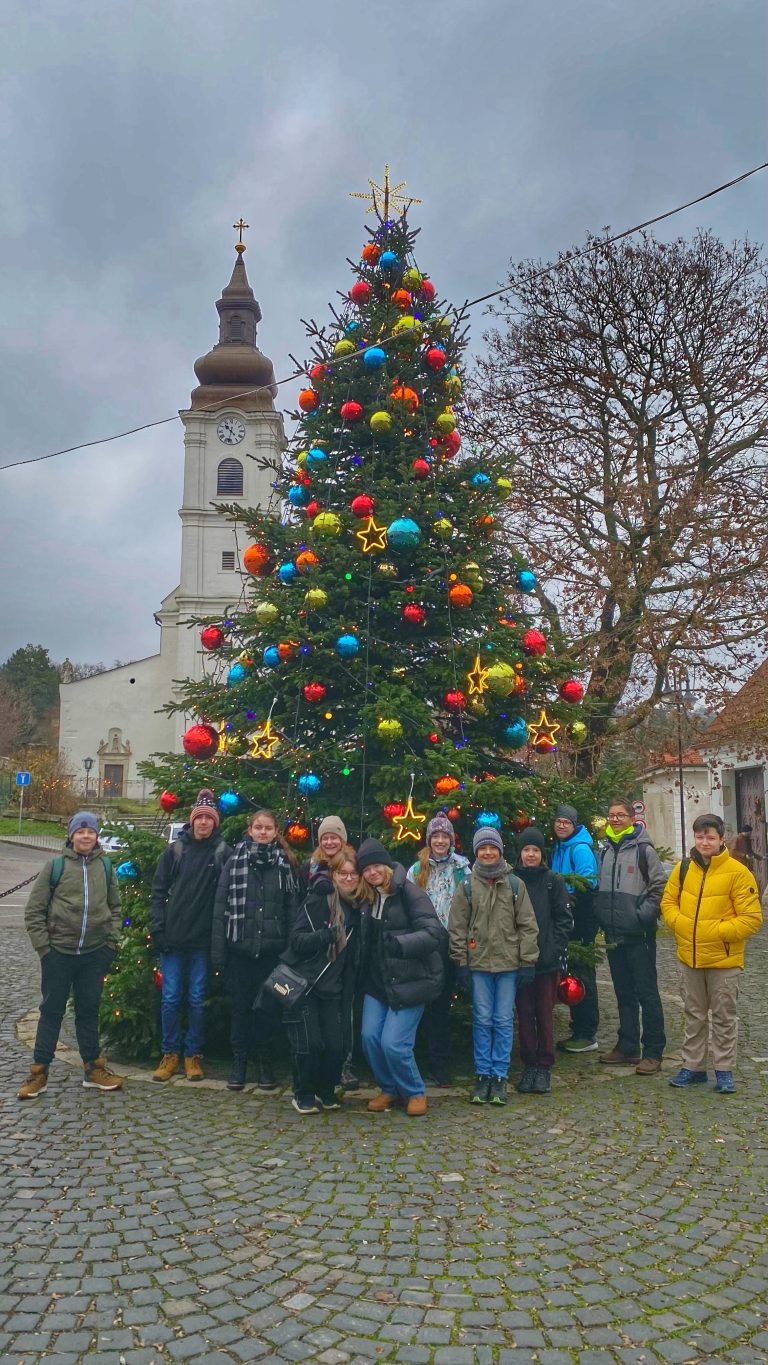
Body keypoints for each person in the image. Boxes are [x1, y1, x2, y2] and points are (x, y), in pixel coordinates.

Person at [18, 811, 125, 1098]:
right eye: (81, 831)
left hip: (94, 953)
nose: (86, 836)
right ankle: (38, 1072)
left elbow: (115, 907)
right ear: (72, 835)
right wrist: (45, 950)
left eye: (91, 831)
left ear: (96, 836)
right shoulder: (55, 867)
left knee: (88, 1011)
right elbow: (34, 911)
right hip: (59, 954)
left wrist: (110, 943)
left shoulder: (105, 866)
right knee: (51, 1012)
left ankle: (93, 1068)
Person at [661, 812, 761, 1093]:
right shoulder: (683, 869)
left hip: (723, 960)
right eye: (700, 836)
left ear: (721, 839)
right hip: (689, 957)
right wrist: (680, 925)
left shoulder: (738, 873)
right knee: (693, 1014)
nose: (704, 842)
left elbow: (751, 918)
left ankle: (724, 1070)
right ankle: (692, 1067)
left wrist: (715, 932)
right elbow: (668, 901)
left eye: (710, 837)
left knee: (723, 1016)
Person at [449, 827, 539, 1106]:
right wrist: (460, 962)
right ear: (476, 852)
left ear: (500, 851)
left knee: (502, 1020)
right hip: (478, 965)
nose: (488, 853)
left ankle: (499, 1075)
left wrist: (527, 961)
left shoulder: (514, 885)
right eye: (482, 849)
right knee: (482, 1019)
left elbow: (527, 925)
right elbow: (457, 927)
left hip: (508, 964)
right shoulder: (466, 885)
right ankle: (483, 1074)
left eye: (493, 848)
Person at [212, 808, 300, 1091]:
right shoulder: (234, 861)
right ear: (250, 830)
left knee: (267, 1011)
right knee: (240, 1010)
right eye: (258, 827)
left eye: (268, 828)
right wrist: (219, 954)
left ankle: (266, 1064)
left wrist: (289, 953)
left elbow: (290, 911)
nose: (263, 832)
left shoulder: (284, 865)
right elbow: (220, 907)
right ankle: (239, 1062)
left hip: (272, 954)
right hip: (241, 950)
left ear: (276, 832)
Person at [357, 838, 444, 1117]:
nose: (372, 873)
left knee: (394, 1043)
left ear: (386, 864)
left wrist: (402, 943)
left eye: (376, 866)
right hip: (378, 982)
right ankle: (389, 1088)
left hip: (411, 981)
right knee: (370, 1037)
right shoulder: (366, 898)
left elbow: (434, 933)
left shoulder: (409, 892)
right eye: (366, 869)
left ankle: (414, 1091)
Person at [149, 789, 230, 1083]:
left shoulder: (222, 853)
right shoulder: (174, 852)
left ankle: (193, 1054)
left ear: (215, 823)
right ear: (193, 821)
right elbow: (158, 892)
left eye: (209, 818)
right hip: (172, 939)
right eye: (200, 818)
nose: (204, 823)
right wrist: (158, 929)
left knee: (197, 999)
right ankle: (170, 1053)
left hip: (202, 941)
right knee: (170, 998)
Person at [281, 847, 361, 1114]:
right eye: (343, 874)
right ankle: (302, 1091)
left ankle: (325, 1090)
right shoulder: (319, 900)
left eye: (353, 874)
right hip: (307, 983)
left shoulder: (358, 910)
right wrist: (324, 937)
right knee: (310, 1043)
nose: (348, 879)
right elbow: (296, 939)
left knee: (337, 1046)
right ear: (334, 875)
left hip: (334, 988)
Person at [594, 799, 667, 1075]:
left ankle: (653, 1051)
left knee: (647, 994)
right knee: (623, 992)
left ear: (631, 817)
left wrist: (642, 915)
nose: (615, 819)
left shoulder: (642, 849)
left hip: (639, 934)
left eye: (620, 815)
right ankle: (627, 1045)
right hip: (613, 932)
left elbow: (659, 885)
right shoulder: (604, 851)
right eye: (611, 815)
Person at [407, 814, 470, 1085]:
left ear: (451, 839)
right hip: (424, 944)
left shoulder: (463, 869)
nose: (441, 840)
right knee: (421, 1006)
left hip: (452, 944)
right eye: (436, 836)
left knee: (441, 1007)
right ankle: (415, 1062)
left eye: (445, 836)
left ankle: (440, 1065)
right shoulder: (416, 870)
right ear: (429, 839)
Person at [514, 827, 572, 1094]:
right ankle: (529, 1062)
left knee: (544, 1013)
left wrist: (554, 948)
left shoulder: (553, 880)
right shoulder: (513, 880)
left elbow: (563, 918)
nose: (530, 854)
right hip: (520, 960)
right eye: (526, 850)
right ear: (520, 853)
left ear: (542, 853)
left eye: (535, 850)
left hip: (546, 959)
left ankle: (544, 1063)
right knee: (524, 1013)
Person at [550, 804, 600, 1053]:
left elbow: (587, 883)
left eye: (566, 822)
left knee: (582, 974)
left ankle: (586, 1032)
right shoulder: (558, 847)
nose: (561, 825)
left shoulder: (579, 849)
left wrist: (567, 901)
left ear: (574, 825)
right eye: (558, 821)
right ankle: (578, 1026)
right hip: (566, 918)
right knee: (571, 974)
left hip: (579, 919)